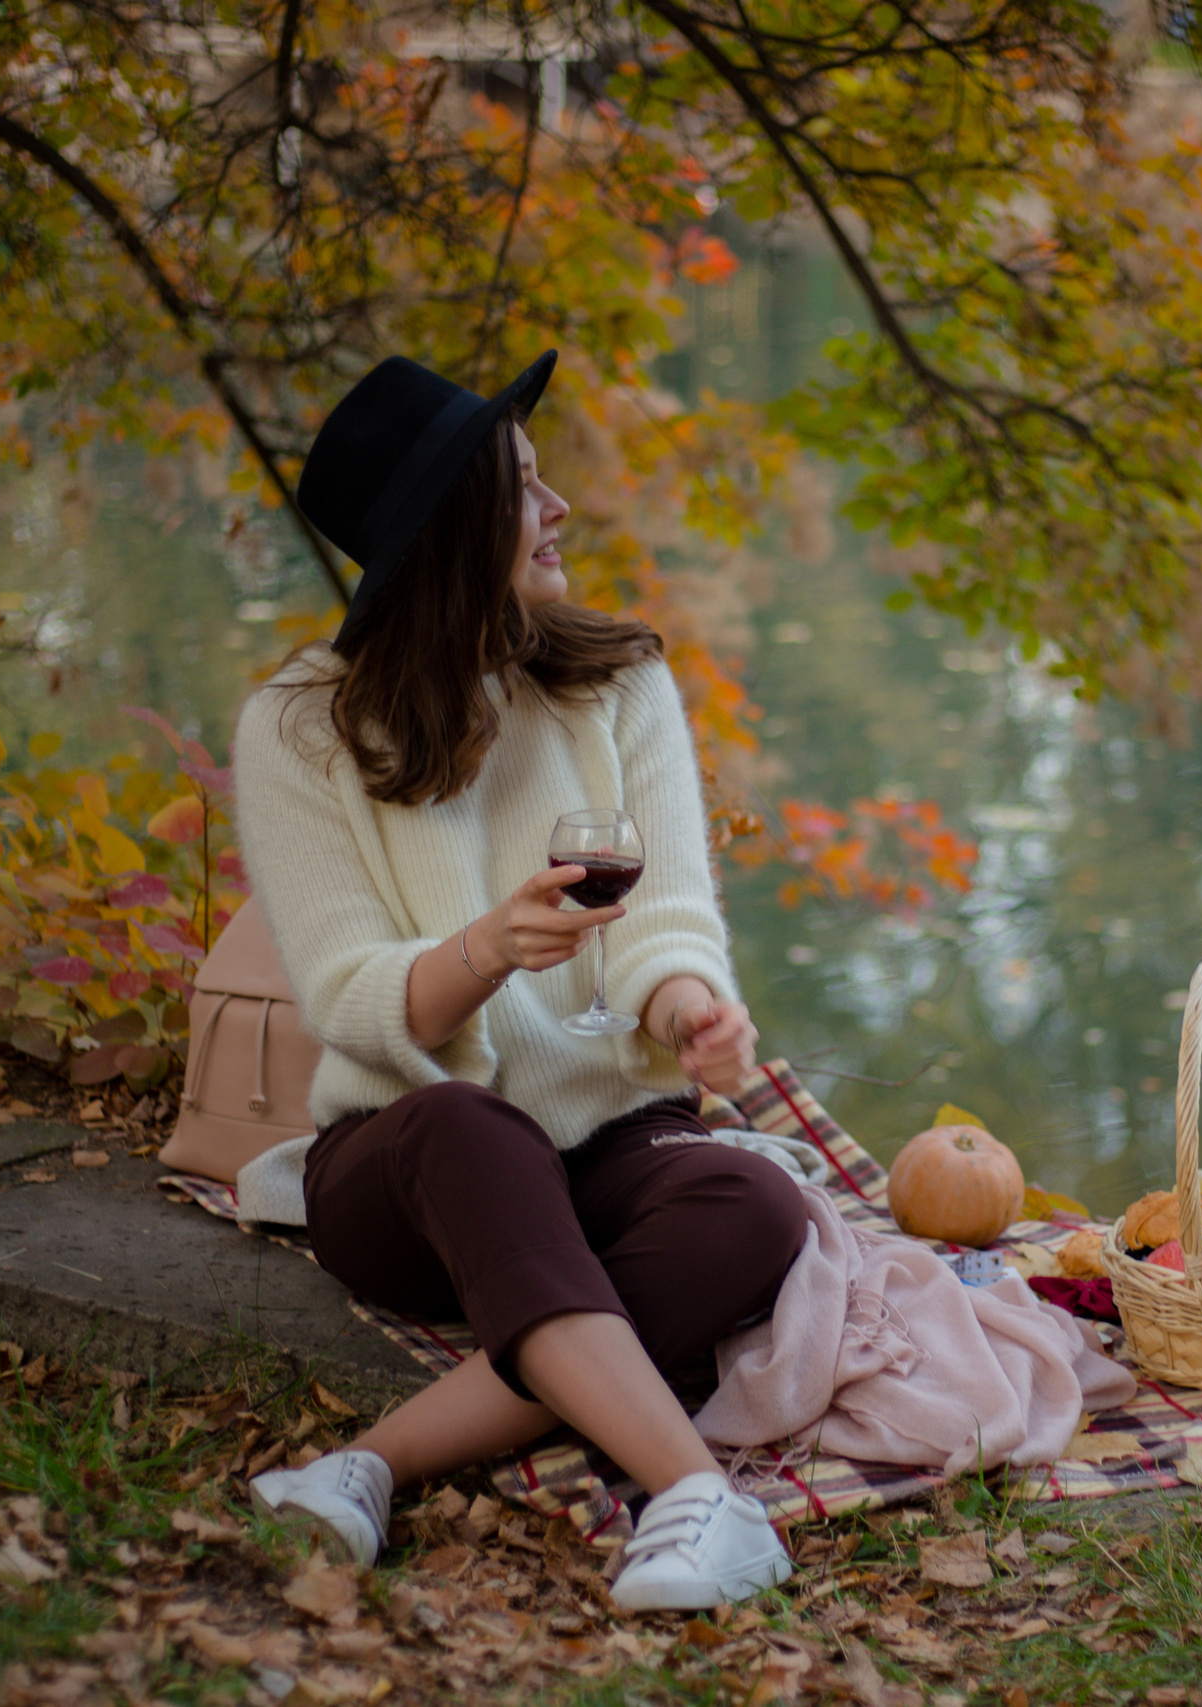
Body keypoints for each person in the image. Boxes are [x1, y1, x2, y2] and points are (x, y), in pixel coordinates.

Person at [228, 351, 808, 1612]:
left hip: (605, 1148)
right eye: (527, 491)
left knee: (758, 1211)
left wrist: (688, 1010)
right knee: (468, 1125)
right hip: (410, 1164)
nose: (560, 514)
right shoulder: (298, 727)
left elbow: (660, 923)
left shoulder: (616, 681)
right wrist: (487, 950)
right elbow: (346, 996)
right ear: (450, 531)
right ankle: (698, 1496)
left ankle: (367, 1469)